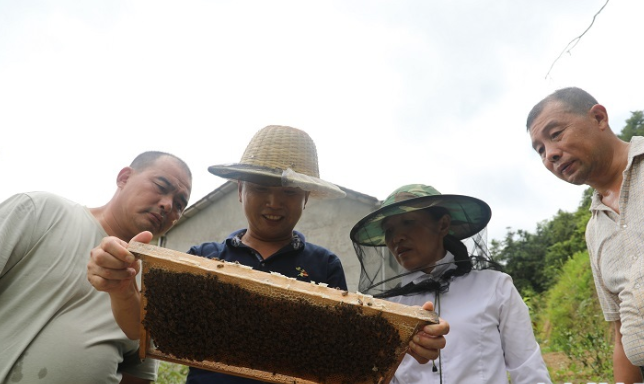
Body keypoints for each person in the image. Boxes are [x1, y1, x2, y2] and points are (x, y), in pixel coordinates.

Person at [88, 125, 449, 384]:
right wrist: (122, 289)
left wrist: (403, 343)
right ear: (240, 190)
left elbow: (345, 361)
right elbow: (142, 329)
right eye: (261, 188)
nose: (275, 202)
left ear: (306, 199)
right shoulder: (203, 257)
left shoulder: (324, 264)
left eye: (290, 192)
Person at [0, 151, 192, 384]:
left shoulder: (152, 291)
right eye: (161, 186)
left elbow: (138, 375)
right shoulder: (38, 211)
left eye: (180, 204)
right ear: (124, 178)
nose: (168, 204)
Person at [350, 184, 552, 384]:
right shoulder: (386, 308)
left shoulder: (495, 287)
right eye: (389, 230)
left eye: (408, 222)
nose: (396, 237)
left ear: (443, 225)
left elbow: (528, 369)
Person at [527, 86, 644, 383]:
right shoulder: (594, 231)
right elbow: (621, 332)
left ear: (599, 117)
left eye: (556, 134)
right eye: (540, 150)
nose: (551, 154)